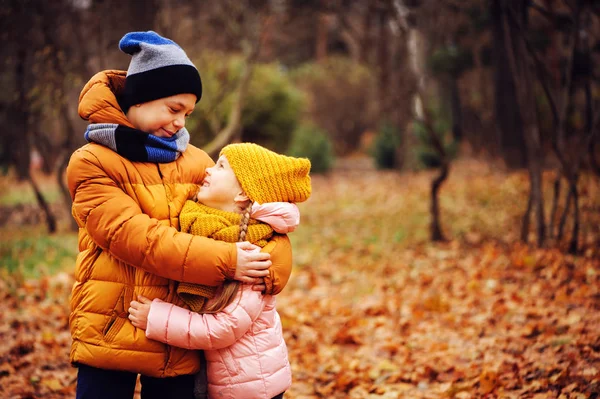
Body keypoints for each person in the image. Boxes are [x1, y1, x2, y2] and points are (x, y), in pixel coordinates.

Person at [66, 31, 293, 399]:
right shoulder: (92, 162)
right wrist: (229, 261)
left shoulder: (196, 162)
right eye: (173, 109)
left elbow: (251, 224)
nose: (181, 123)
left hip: (178, 332)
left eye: (188, 113)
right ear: (140, 99)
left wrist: (269, 267)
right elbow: (134, 237)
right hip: (111, 327)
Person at [128, 143, 311, 399]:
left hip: (251, 387)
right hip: (231, 378)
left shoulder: (251, 254)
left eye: (221, 166)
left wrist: (156, 318)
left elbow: (223, 328)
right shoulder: (206, 228)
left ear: (242, 195)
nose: (208, 170)